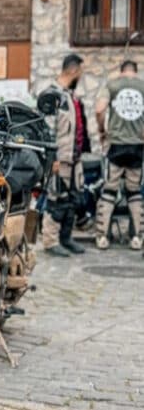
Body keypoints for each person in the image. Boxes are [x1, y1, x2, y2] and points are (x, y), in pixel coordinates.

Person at [40, 53, 90, 257]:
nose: (81, 77)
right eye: (80, 72)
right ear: (73, 70)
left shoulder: (70, 96)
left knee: (73, 199)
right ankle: (50, 241)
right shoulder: (52, 95)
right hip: (59, 159)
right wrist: (52, 159)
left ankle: (66, 238)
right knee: (56, 199)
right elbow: (47, 130)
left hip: (74, 159)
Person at [94, 60, 144, 251]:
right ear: (135, 71)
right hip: (137, 146)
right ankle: (137, 237)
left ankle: (102, 236)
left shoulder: (112, 85)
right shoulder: (142, 86)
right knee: (134, 192)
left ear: (122, 71)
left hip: (116, 145)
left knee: (109, 191)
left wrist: (102, 130)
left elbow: (99, 109)